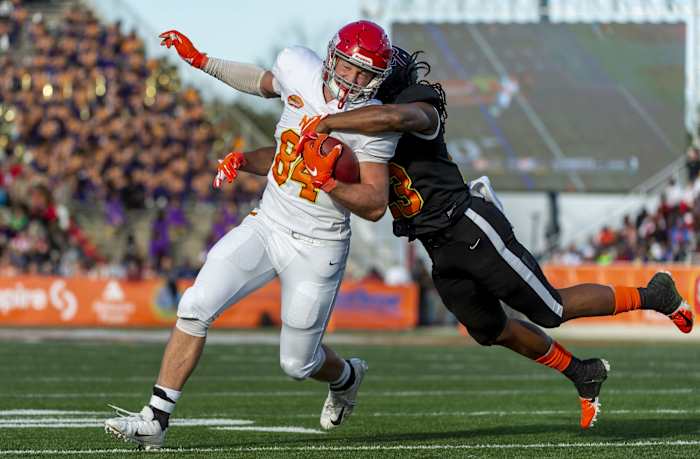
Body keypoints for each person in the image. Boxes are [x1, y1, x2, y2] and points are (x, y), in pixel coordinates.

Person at [293, 47, 695, 429]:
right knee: (489, 330)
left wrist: (330, 123)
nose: (360, 81)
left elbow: (397, 120)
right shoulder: (362, 119)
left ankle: (655, 295)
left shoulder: (418, 103)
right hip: (437, 246)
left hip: (469, 227)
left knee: (550, 308)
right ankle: (581, 372)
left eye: (370, 74)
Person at [104, 21, 398, 449]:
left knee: (298, 363)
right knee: (195, 304)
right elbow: (262, 89)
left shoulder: (374, 123)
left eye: (365, 74)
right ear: (332, 56)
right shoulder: (298, 67)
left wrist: (330, 184)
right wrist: (202, 62)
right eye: (349, 67)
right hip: (268, 224)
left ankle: (347, 376)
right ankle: (156, 420)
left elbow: (374, 204)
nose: (353, 80)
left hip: (318, 245)